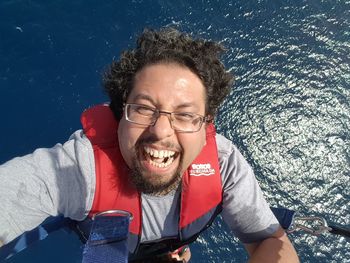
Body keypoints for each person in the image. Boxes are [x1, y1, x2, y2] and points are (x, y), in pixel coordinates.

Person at [0, 27, 299, 262]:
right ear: (121, 114)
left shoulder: (223, 165)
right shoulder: (80, 169)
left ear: (205, 124)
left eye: (185, 115)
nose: (161, 132)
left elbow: (272, 243)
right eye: (143, 108)